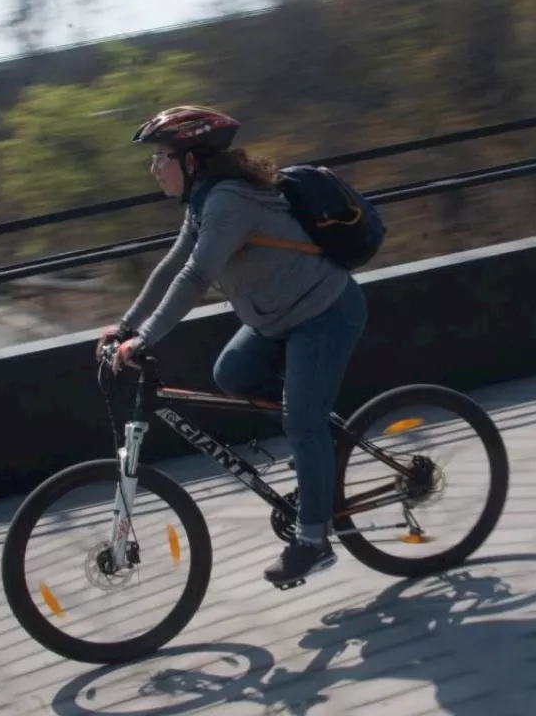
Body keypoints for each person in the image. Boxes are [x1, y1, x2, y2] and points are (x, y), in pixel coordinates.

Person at [96, 105, 368, 587]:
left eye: (162, 157)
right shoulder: (204, 203)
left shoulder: (228, 203)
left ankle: (312, 540)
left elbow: (196, 277)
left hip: (322, 313)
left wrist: (146, 337)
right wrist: (123, 328)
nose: (153, 168)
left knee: (300, 421)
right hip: (276, 319)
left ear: (193, 160)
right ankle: (315, 437)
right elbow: (171, 266)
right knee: (233, 376)